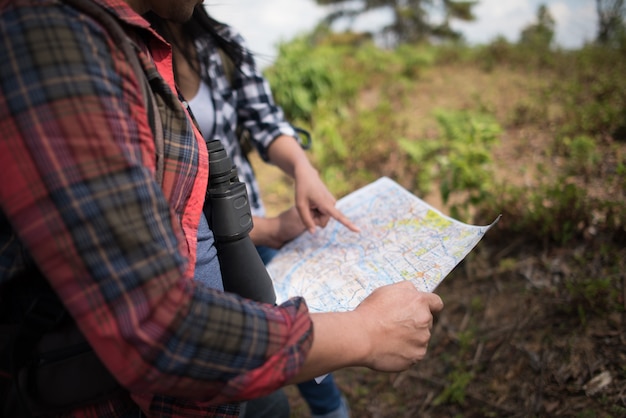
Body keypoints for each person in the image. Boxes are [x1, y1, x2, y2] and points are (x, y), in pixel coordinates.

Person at [0, 0, 444, 417]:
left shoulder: (132, 44)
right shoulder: (55, 40)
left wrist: (298, 173)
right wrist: (363, 333)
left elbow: (249, 139)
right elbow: (160, 328)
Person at [146, 7, 355, 417]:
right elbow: (164, 195)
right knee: (250, 354)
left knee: (298, 312)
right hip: (196, 251)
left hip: (248, 225)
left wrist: (302, 169)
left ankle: (330, 409)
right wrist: (272, 229)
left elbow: (265, 121)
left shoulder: (218, 44)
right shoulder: (131, 55)